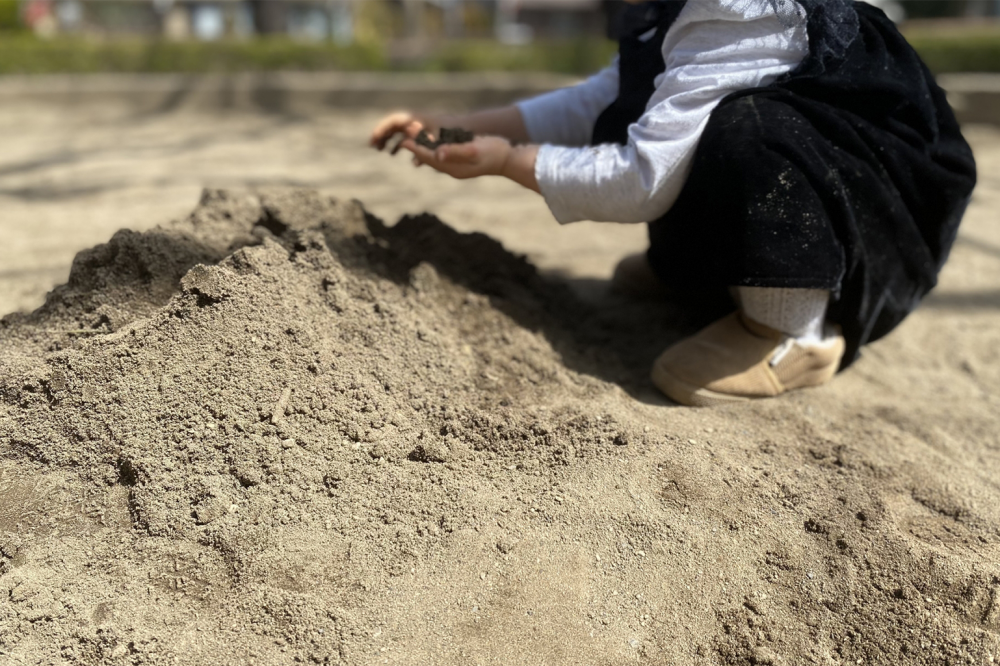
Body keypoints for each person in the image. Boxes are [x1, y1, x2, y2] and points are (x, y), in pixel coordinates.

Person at [370, 0, 976, 406]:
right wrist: (451, 128)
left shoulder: (740, 10)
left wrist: (507, 160)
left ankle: (793, 331)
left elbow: (643, 179)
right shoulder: (673, 9)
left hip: (879, 220)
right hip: (825, 193)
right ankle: (698, 277)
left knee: (749, 129)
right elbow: (601, 100)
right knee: (666, 116)